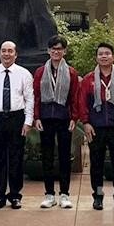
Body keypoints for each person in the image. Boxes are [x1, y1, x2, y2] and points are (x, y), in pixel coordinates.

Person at [78, 42, 114, 211]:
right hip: (95, 128)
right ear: (96, 57)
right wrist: (86, 123)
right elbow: (82, 104)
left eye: (107, 53)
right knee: (96, 164)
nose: (104, 56)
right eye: (100, 54)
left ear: (113, 57)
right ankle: (98, 197)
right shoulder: (88, 80)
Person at [0, 41, 34, 210]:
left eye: (10, 51)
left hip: (16, 118)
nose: (7, 54)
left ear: (16, 54)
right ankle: (0, 195)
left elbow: (30, 99)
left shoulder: (24, 74)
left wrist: (28, 121)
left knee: (16, 159)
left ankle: (15, 195)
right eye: (3, 51)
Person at [32, 35, 79, 209]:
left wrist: (74, 117)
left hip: (64, 119)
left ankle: (65, 194)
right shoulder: (40, 72)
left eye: (59, 49)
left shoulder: (71, 72)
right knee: (47, 156)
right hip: (45, 119)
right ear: (48, 51)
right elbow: (36, 96)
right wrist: (36, 117)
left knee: (65, 157)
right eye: (53, 48)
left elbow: (75, 97)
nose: (56, 51)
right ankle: (49, 193)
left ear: (64, 51)